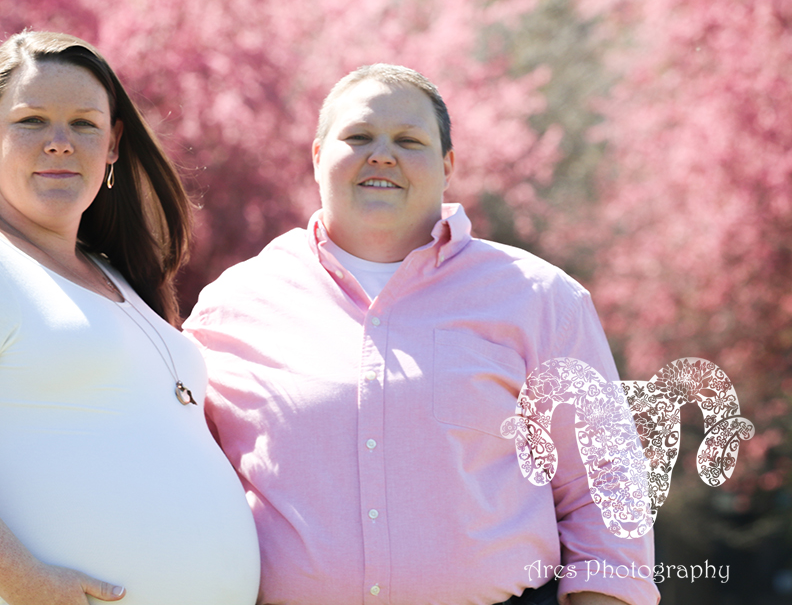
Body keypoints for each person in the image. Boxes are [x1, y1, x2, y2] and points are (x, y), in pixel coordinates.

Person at [183, 64, 660, 605]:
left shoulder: (542, 300)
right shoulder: (233, 305)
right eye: (358, 136)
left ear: (447, 165)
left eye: (408, 141)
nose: (382, 155)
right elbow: (175, 476)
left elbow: (606, 490)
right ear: (317, 156)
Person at [0, 31, 259, 605]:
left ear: (112, 145)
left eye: (84, 124)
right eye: (32, 120)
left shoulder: (118, 278)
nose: (60, 143)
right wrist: (26, 583)